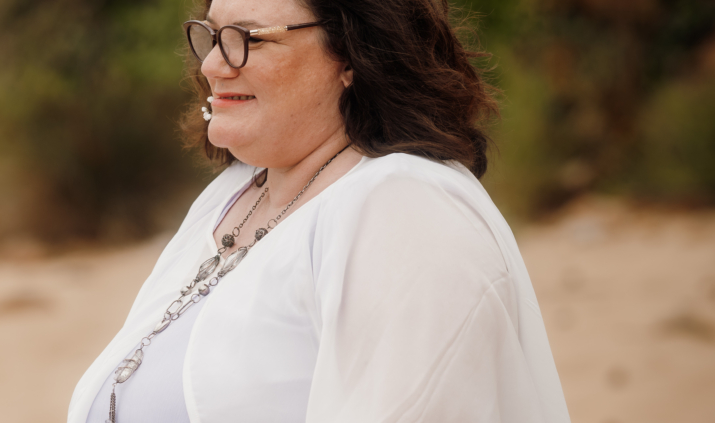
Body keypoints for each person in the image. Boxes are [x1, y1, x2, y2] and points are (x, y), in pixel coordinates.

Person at [67, 0, 571, 421]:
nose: (212, 65)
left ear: (352, 52)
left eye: (251, 38)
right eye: (211, 35)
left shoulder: (404, 210)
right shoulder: (234, 195)